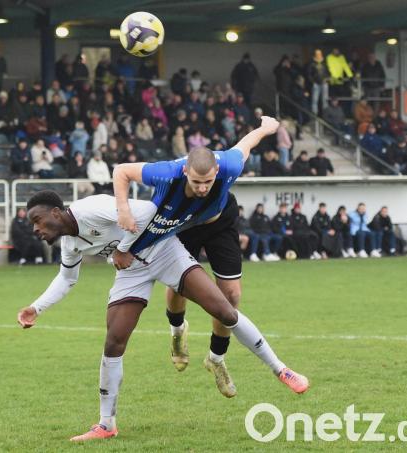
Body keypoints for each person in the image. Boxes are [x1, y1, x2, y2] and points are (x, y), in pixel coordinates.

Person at [17, 191, 308, 441]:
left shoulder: (90, 208)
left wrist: (123, 248)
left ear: (56, 212)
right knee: (114, 341)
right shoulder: (70, 244)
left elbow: (146, 211)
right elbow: (67, 279)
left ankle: (281, 369)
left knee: (224, 310)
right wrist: (36, 308)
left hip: (164, 252)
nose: (35, 229)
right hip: (131, 272)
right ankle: (106, 425)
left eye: (37, 220)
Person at [111, 116, 286, 398]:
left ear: (217, 171)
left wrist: (265, 128)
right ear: (185, 171)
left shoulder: (230, 164)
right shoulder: (167, 172)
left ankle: (216, 359)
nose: (203, 188)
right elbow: (121, 171)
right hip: (181, 226)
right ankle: (177, 330)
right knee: (178, 287)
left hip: (220, 223)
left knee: (231, 295)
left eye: (208, 181)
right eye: (196, 182)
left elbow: (246, 144)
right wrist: (123, 209)